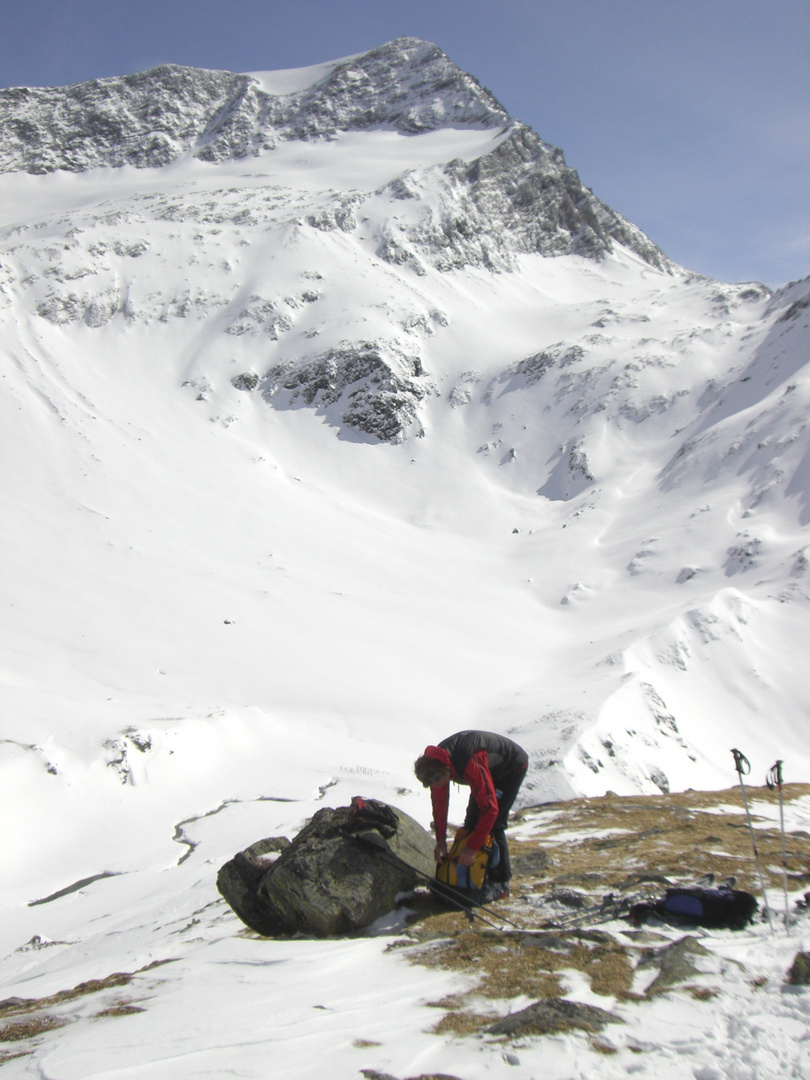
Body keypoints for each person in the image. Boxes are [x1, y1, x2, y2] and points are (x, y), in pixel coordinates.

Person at [414, 730, 528, 898]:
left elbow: (490, 809)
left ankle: (500, 884)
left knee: (494, 825)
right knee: (470, 824)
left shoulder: (468, 761)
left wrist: (472, 848)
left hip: (510, 768)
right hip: (486, 770)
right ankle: (473, 877)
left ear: (443, 772)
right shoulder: (437, 767)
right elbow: (440, 805)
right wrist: (440, 841)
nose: (436, 787)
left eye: (436, 782)